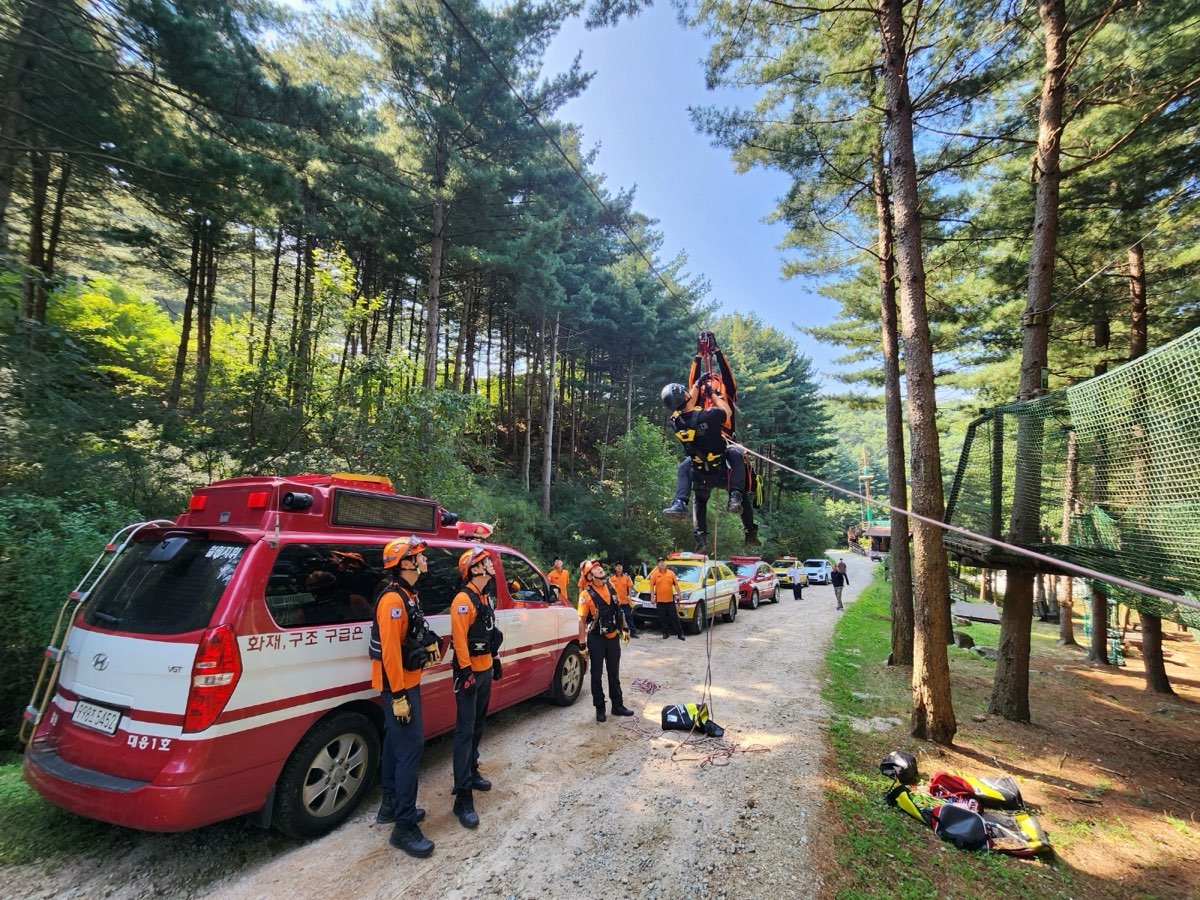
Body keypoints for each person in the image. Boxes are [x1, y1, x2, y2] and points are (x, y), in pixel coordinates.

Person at [371, 536, 439, 858]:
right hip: (398, 686)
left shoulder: (408, 595)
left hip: (406, 682)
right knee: (410, 750)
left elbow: (410, 635)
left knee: (394, 745)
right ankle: (404, 827)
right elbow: (390, 655)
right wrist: (399, 695)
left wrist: (430, 642)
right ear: (406, 563)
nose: (424, 560)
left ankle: (390, 806)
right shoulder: (392, 602)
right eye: (419, 556)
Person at [661, 377, 757, 553]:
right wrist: (712, 393)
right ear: (685, 396)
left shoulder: (676, 422)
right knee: (736, 453)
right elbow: (727, 411)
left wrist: (697, 385)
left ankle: (684, 511)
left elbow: (686, 407)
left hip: (700, 472)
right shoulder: (710, 415)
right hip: (722, 470)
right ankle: (736, 500)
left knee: (691, 481)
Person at [449, 546, 502, 829]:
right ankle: (462, 797)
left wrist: (495, 659)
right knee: (465, 732)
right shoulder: (463, 600)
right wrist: (467, 673)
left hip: (484, 670)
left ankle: (472, 770)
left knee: (478, 726)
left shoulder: (484, 597)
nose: (491, 565)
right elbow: (459, 641)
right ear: (475, 569)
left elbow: (490, 632)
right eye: (485, 562)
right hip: (469, 675)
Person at [577, 559, 634, 722]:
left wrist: (624, 628)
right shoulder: (585, 595)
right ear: (590, 575)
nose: (600, 569)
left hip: (612, 636)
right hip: (596, 639)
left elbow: (618, 609)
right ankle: (600, 707)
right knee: (596, 674)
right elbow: (581, 621)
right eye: (595, 569)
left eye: (600, 567)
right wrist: (582, 644)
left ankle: (617, 705)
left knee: (614, 672)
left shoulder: (611, 586)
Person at [649, 556, 685, 641]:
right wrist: (652, 597)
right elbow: (651, 586)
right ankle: (665, 633)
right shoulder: (655, 574)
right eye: (660, 562)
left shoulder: (671, 573)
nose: (662, 563)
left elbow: (676, 585)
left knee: (674, 618)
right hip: (660, 601)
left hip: (670, 600)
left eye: (663, 562)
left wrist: (680, 594)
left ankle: (680, 633)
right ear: (658, 565)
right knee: (662, 618)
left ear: (665, 563)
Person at [610, 562, 640, 638]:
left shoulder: (626, 576)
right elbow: (609, 589)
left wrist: (630, 597)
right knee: (617, 617)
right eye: (617, 566)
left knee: (629, 616)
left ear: (622, 567)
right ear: (615, 568)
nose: (619, 567)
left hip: (625, 600)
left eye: (620, 566)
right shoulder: (612, 578)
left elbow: (630, 587)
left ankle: (633, 632)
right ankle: (618, 632)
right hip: (616, 601)